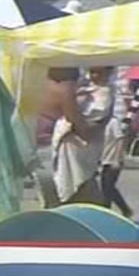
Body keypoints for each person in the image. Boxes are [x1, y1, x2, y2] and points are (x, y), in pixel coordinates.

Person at [51, 66, 113, 206]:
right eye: (92, 72)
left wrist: (83, 129)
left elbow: (97, 116)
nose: (94, 76)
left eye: (99, 72)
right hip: (71, 139)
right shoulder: (80, 89)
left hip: (84, 139)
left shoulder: (106, 92)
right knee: (68, 176)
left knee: (81, 178)